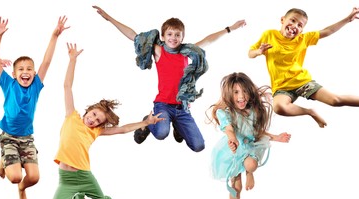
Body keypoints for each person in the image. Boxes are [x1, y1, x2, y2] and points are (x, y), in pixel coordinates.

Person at [50, 43, 164, 199]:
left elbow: (121, 129)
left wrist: (146, 122)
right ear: (87, 111)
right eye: (93, 115)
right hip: (65, 179)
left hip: (84, 176)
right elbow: (67, 86)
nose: (93, 120)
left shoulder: (96, 131)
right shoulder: (71, 116)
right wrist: (73, 60)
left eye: (98, 120)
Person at [93, 5, 246, 152]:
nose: (173, 38)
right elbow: (133, 36)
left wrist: (230, 28)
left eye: (177, 35)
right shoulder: (158, 51)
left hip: (182, 108)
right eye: (170, 34)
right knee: (161, 133)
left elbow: (209, 39)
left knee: (199, 146)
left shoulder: (187, 52)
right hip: (163, 105)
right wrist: (109, 18)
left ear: (182, 37)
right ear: (163, 36)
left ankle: (179, 127)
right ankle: (147, 122)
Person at [249, 7, 359, 128]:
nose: (295, 26)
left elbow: (327, 31)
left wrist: (347, 19)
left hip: (302, 82)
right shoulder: (269, 35)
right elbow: (250, 53)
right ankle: (310, 112)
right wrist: (259, 51)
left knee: (335, 101)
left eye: (300, 25)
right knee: (279, 108)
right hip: (281, 87)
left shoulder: (303, 39)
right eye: (292, 21)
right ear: (283, 20)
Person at [0, 16, 69, 199]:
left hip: (26, 138)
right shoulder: (8, 84)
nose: (26, 72)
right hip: (8, 136)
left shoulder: (35, 86)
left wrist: (54, 35)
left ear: (34, 74)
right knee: (15, 177)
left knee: (33, 178)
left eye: (29, 69)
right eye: (21, 69)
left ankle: (21, 189)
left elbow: (47, 62)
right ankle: (4, 158)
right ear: (14, 74)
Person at [208, 72, 291, 199]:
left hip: (250, 146)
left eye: (244, 91)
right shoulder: (225, 112)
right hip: (234, 148)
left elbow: (258, 132)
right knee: (236, 186)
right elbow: (228, 128)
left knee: (251, 164)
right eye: (236, 92)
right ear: (229, 95)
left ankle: (249, 172)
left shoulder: (252, 111)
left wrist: (276, 137)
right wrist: (232, 139)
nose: (241, 97)